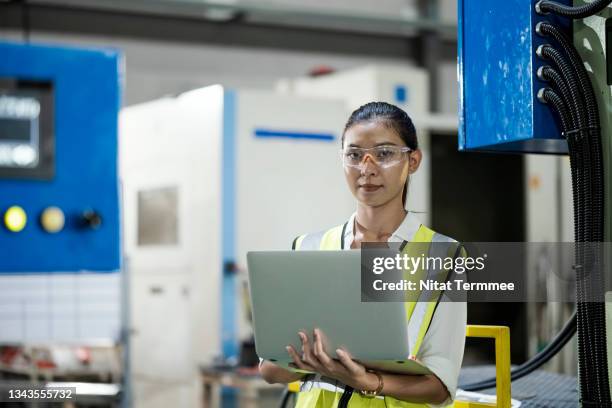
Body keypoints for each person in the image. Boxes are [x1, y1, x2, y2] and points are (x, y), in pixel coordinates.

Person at [259, 102, 467, 407]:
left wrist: (370, 383)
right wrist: (310, 361)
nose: (367, 168)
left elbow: (440, 386)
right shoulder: (307, 247)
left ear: (413, 161)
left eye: (384, 154)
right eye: (354, 155)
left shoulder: (444, 257)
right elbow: (270, 370)